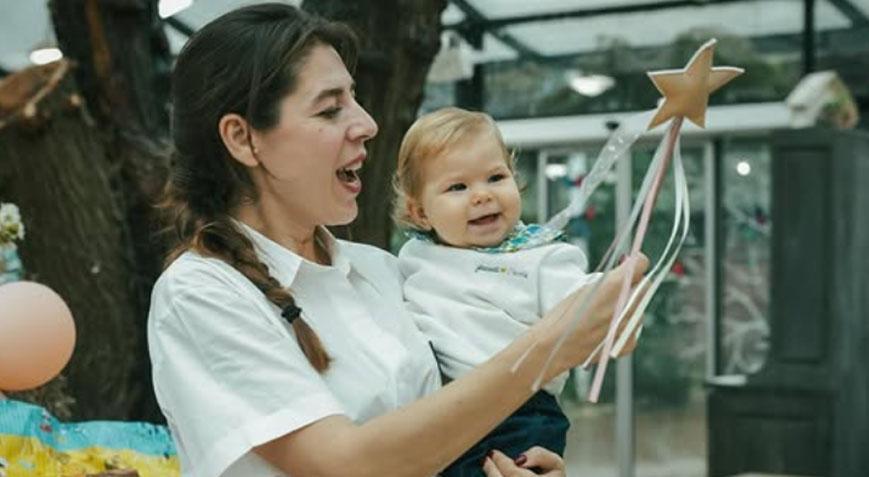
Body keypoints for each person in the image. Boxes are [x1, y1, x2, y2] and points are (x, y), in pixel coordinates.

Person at [147, 4, 648, 477]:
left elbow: (448, 429)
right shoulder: (201, 294)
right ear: (243, 138)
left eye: (355, 99)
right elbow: (346, 465)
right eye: (330, 109)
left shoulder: (385, 270)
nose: (367, 124)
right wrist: (548, 347)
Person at [393, 107, 600, 476]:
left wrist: (604, 295)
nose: (482, 195)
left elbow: (584, 307)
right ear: (420, 213)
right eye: (458, 187)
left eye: (495, 177)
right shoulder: (414, 257)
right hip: (439, 408)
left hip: (519, 409)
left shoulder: (541, 255)